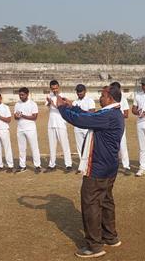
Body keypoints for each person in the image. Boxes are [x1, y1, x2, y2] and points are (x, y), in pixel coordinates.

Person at [56, 85, 124, 258]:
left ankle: (94, 246)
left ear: (109, 97)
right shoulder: (114, 113)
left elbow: (83, 120)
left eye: (102, 95)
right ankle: (110, 236)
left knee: (91, 203)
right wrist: (73, 106)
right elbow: (92, 115)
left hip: (98, 167)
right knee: (106, 201)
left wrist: (62, 108)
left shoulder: (108, 115)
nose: (100, 98)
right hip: (109, 166)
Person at [46, 80, 73, 172]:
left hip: (61, 122)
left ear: (59, 87)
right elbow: (48, 106)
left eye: (56, 88)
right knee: (52, 145)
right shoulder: (49, 96)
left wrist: (57, 97)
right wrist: (50, 102)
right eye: (53, 88)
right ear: (50, 88)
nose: (54, 90)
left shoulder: (63, 96)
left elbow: (62, 107)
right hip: (51, 123)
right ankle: (52, 165)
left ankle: (68, 164)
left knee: (64, 144)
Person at [14, 87, 41, 173]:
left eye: (22, 95)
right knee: (21, 148)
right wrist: (17, 116)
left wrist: (23, 116)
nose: (21, 96)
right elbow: (15, 116)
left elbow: (34, 117)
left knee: (34, 147)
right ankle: (22, 165)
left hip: (30, 129)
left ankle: (37, 165)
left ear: (27, 94)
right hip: (20, 128)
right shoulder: (17, 104)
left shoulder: (33, 104)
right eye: (20, 95)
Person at [72, 84, 97, 174]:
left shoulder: (90, 101)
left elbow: (92, 113)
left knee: (88, 147)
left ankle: (90, 166)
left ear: (85, 91)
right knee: (80, 147)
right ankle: (82, 167)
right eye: (78, 91)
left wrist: (80, 112)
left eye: (81, 91)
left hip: (87, 127)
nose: (79, 93)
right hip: (77, 127)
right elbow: (73, 114)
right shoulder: (75, 102)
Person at [110, 81, 132, 175]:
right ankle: (112, 166)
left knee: (122, 146)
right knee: (111, 146)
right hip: (110, 126)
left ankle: (126, 166)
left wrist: (117, 115)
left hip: (119, 126)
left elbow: (126, 114)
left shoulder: (123, 99)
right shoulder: (109, 99)